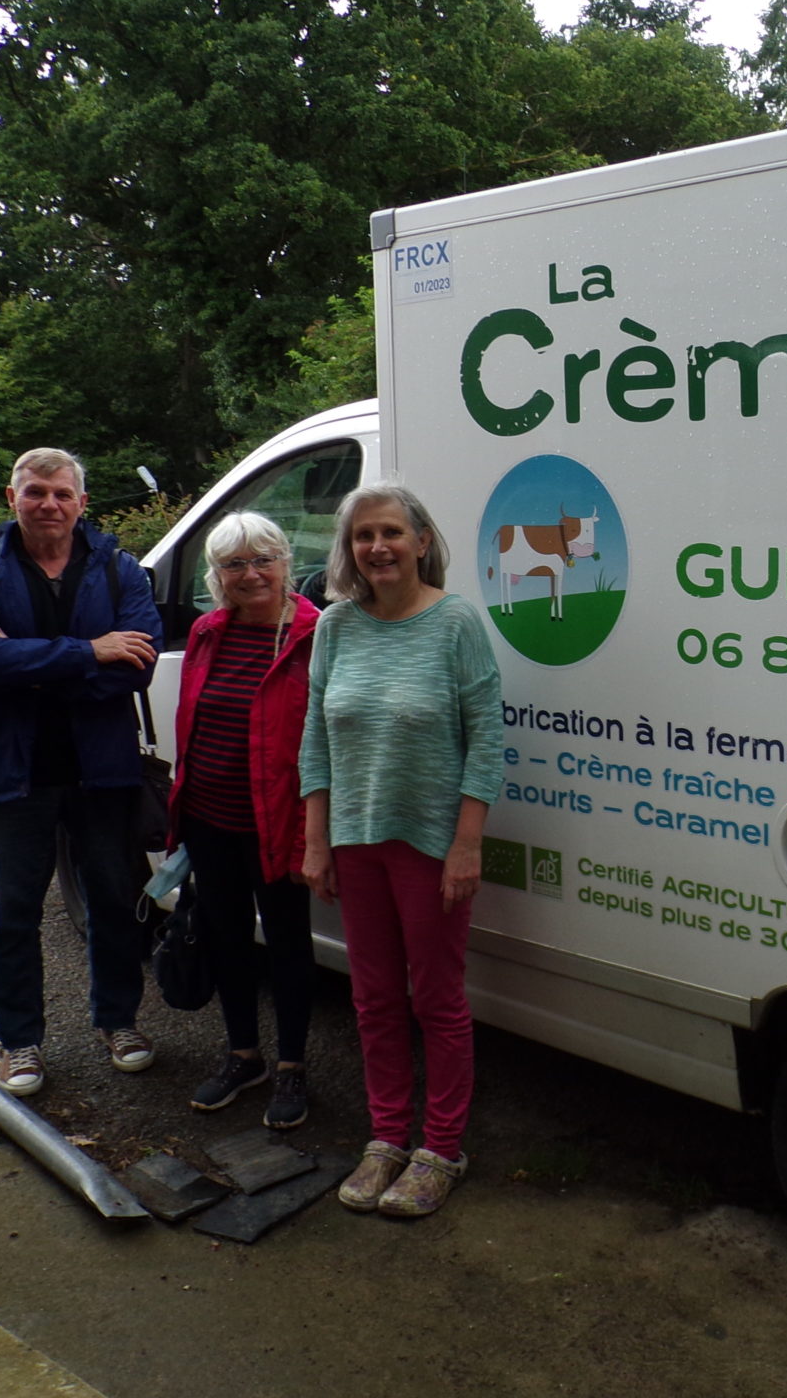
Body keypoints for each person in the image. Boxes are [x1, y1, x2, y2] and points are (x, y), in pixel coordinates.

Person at [300, 482, 504, 1218]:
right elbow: (316, 738)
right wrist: (316, 841)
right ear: (349, 549)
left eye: (391, 532)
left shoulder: (456, 623)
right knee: (375, 998)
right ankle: (387, 1138)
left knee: (437, 1000)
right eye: (363, 536)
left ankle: (441, 1148)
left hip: (429, 843)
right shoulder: (335, 626)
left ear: (421, 541)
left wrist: (466, 845)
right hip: (355, 840)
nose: (377, 547)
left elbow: (487, 742)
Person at [0, 447, 163, 1096]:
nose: (49, 504)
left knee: (113, 903)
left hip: (103, 770)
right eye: (36, 492)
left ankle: (118, 1022)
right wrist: (89, 652)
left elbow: (139, 666)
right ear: (12, 498)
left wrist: (24, 665)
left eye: (62, 493)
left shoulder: (121, 569)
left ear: (82, 503)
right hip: (13, 771)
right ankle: (20, 1042)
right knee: (13, 914)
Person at [165, 513, 321, 1128]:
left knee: (287, 942)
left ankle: (292, 1066)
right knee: (227, 937)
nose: (251, 574)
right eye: (234, 564)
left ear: (286, 563)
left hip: (277, 821)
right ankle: (243, 1055)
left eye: (263, 560)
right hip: (208, 817)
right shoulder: (208, 631)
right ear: (217, 575)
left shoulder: (314, 635)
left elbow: (326, 743)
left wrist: (312, 834)